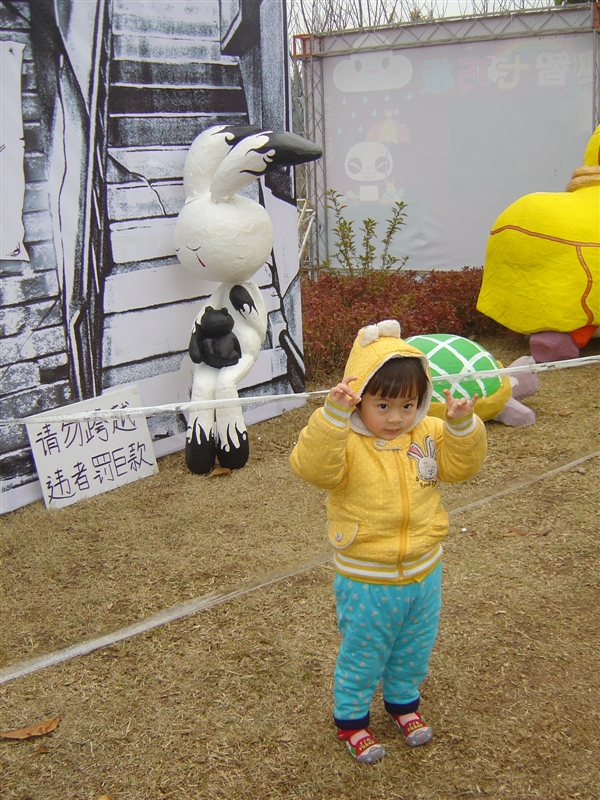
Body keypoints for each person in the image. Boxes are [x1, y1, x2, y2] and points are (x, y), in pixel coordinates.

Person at [289, 320, 487, 764]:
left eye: (407, 405)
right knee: (364, 651)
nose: (396, 418)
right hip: (368, 576)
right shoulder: (344, 441)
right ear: (358, 397)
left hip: (424, 570)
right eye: (382, 405)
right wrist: (331, 418)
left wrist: (461, 427)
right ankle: (351, 721)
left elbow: (462, 468)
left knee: (415, 646)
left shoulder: (428, 431)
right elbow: (311, 468)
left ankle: (403, 704)